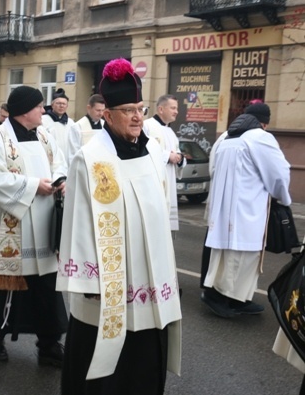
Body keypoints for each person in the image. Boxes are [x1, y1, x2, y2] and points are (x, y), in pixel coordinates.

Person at [56, 58, 182, 394]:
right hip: (106, 287)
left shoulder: (153, 151)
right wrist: (88, 281)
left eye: (140, 108)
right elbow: (78, 222)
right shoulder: (90, 159)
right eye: (128, 109)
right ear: (107, 115)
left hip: (149, 279)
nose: (138, 116)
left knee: (143, 363)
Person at [0, 85, 68, 365]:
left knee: (46, 288)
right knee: (4, 286)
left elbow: (60, 163)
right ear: (25, 111)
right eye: (40, 106)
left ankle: (49, 343)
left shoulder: (44, 134)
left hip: (43, 224)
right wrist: (32, 186)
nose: (45, 110)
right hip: (13, 225)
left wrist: (61, 180)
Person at [201, 102, 291, 318]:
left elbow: (213, 168)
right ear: (264, 123)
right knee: (241, 258)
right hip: (247, 210)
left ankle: (232, 298)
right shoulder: (261, 138)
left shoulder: (226, 138)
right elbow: (278, 174)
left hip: (223, 210)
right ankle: (226, 299)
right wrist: (282, 197)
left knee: (223, 256)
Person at [144, 94, 186, 232]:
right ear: (161, 109)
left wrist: (180, 158)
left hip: (169, 181)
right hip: (153, 183)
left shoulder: (170, 132)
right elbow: (143, 150)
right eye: (173, 108)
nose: (176, 111)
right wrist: (168, 156)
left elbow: (177, 153)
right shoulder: (147, 126)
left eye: (176, 108)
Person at [66, 94, 106, 159]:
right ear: (89, 108)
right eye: (98, 110)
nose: (101, 113)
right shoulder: (77, 127)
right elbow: (73, 154)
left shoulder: (105, 125)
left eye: (103, 110)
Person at [41, 88, 74, 160]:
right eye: (58, 103)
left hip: (67, 159)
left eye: (64, 104)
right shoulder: (43, 120)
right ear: (52, 105)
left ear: (67, 106)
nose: (61, 106)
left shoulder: (71, 123)